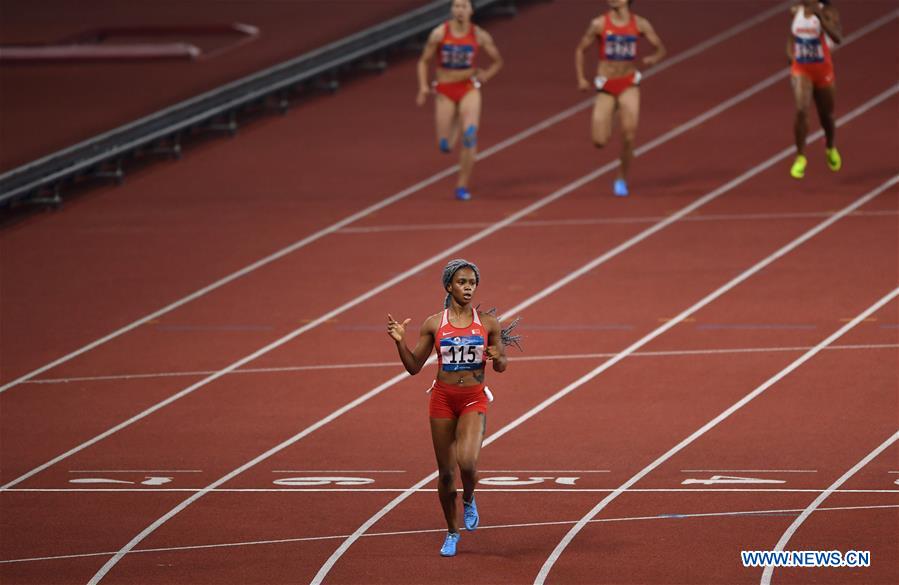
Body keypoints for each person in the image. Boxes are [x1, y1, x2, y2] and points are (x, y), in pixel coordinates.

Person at [387, 259, 520, 557]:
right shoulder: (435, 323)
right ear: (449, 286)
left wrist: (499, 356)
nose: (468, 287)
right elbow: (413, 367)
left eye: (472, 282)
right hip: (443, 399)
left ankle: (469, 497)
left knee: (468, 463)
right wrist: (399, 342)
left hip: (473, 398)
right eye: (462, 282)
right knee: (446, 474)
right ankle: (451, 531)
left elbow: (500, 367)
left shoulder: (487, 323)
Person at [575, 0, 665, 197]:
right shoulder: (599, 24)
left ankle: (621, 178)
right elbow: (580, 49)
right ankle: (613, 113)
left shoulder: (640, 24)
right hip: (607, 86)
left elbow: (660, 48)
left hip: (629, 84)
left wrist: (653, 58)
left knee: (629, 135)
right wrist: (581, 78)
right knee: (599, 141)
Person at [416, 0, 503, 201]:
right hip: (445, 90)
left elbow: (498, 61)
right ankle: (453, 127)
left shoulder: (479, 35)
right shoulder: (439, 34)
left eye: (464, 6)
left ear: (471, 10)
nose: (459, 10)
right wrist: (422, 86)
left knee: (470, 135)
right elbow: (423, 61)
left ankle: (461, 185)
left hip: (468, 88)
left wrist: (486, 75)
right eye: (456, 6)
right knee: (445, 145)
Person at [788, 0, 842, 179]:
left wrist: (820, 18)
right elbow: (791, 39)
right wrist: (791, 58)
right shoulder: (795, 11)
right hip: (801, 69)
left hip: (822, 70)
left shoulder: (828, 11)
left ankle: (830, 147)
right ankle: (800, 157)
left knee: (826, 116)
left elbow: (838, 37)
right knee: (801, 110)